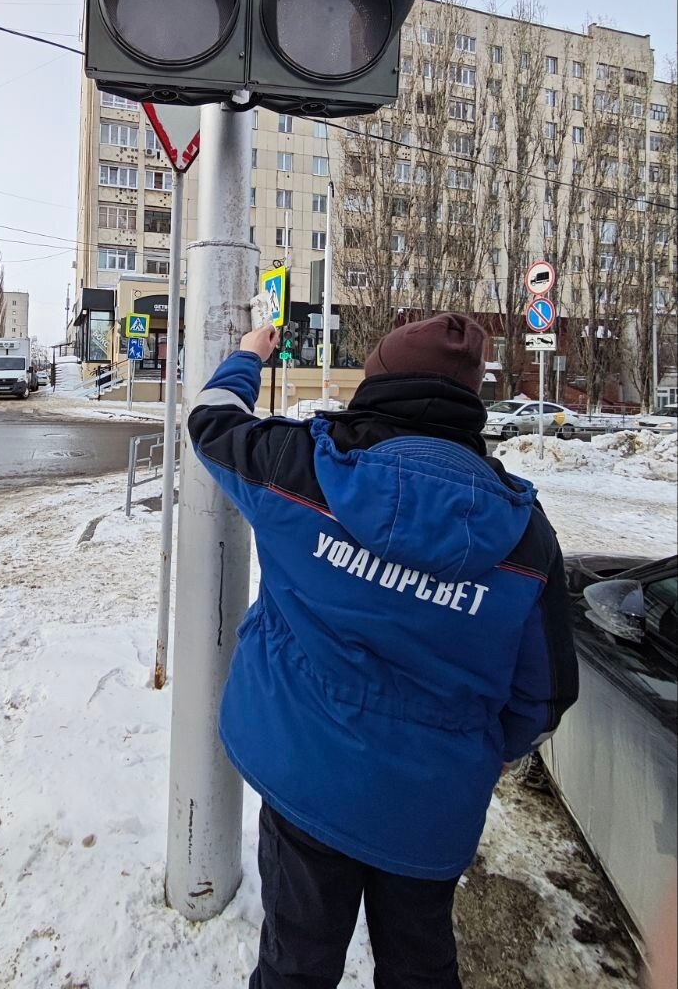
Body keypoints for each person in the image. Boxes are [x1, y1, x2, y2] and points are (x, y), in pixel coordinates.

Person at [188, 312, 578, 989]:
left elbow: (212, 421)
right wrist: (475, 751)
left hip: (307, 775)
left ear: (376, 380)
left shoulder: (301, 469)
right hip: (431, 807)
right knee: (421, 968)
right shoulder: (526, 540)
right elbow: (542, 698)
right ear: (472, 399)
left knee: (296, 965)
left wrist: (250, 353)